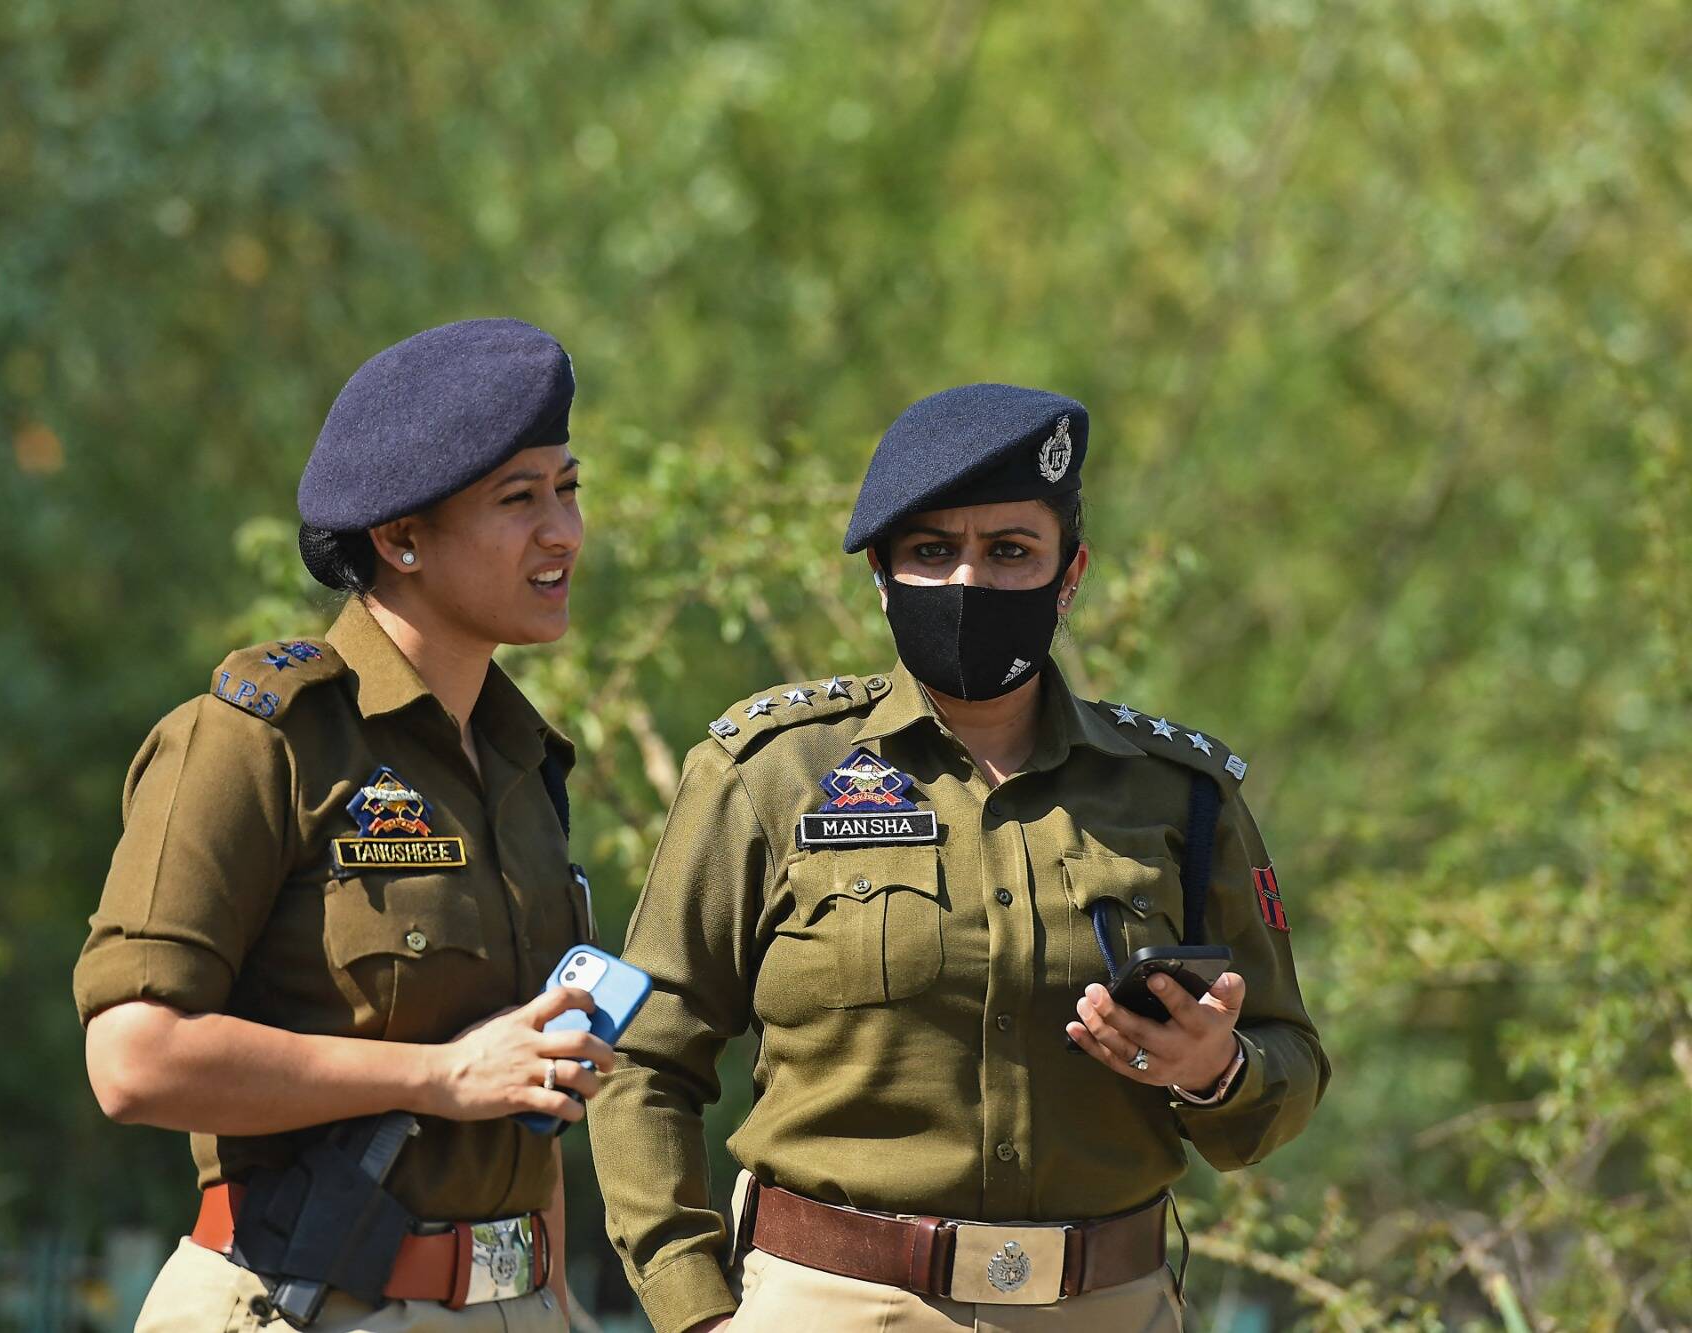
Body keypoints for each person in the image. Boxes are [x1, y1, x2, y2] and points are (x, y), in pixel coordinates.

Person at [590, 385, 1330, 1333]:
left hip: (1108, 1306)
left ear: (1071, 574)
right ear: (883, 573)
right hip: (837, 1304)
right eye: (932, 552)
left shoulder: (1179, 796)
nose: (968, 583)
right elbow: (640, 1058)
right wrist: (691, 1306)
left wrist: (1215, 1065)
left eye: (1011, 551)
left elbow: (1291, 1059)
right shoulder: (772, 776)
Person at [74, 318, 611, 1333]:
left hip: (515, 1303)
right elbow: (132, 1057)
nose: (564, 531)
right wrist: (439, 1074)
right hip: (306, 1301)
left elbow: (521, 1086)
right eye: (518, 499)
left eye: (567, 488)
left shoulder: (521, 763)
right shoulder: (255, 745)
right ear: (401, 539)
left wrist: (559, 1301)